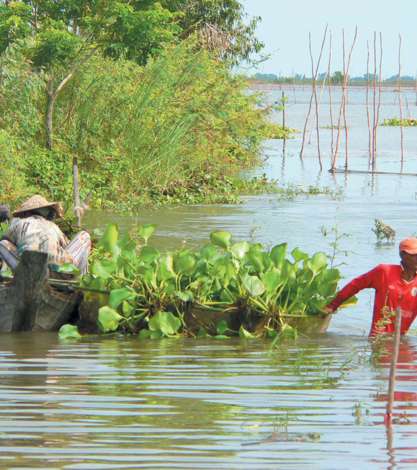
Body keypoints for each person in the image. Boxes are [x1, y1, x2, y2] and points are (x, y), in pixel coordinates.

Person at [324, 237, 417, 336]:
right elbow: (355, 285)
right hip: (378, 338)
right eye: (415, 255)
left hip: (401, 339)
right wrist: (332, 306)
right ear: (403, 255)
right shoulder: (384, 272)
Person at [0, 195, 91, 274]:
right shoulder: (53, 227)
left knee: (3, 243)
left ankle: (4, 275)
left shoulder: (18, 224)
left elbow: (6, 240)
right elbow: (67, 246)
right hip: (61, 275)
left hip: (31, 274)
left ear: (26, 213)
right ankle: (82, 279)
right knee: (84, 235)